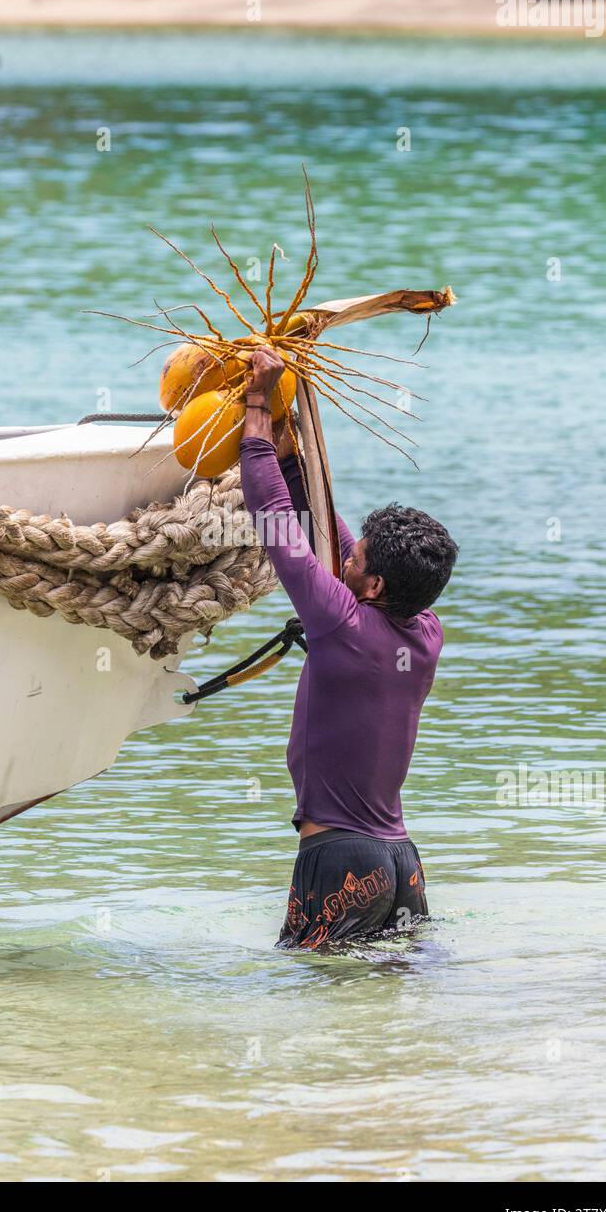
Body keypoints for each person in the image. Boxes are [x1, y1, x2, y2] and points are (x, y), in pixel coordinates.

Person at [239, 348, 458, 950]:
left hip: (339, 859)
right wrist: (293, 455)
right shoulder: (427, 633)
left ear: (376, 585)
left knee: (317, 1011)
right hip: (399, 862)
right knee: (388, 1006)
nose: (347, 556)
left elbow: (278, 526)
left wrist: (256, 414)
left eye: (357, 559)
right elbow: (326, 536)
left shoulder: (340, 624)